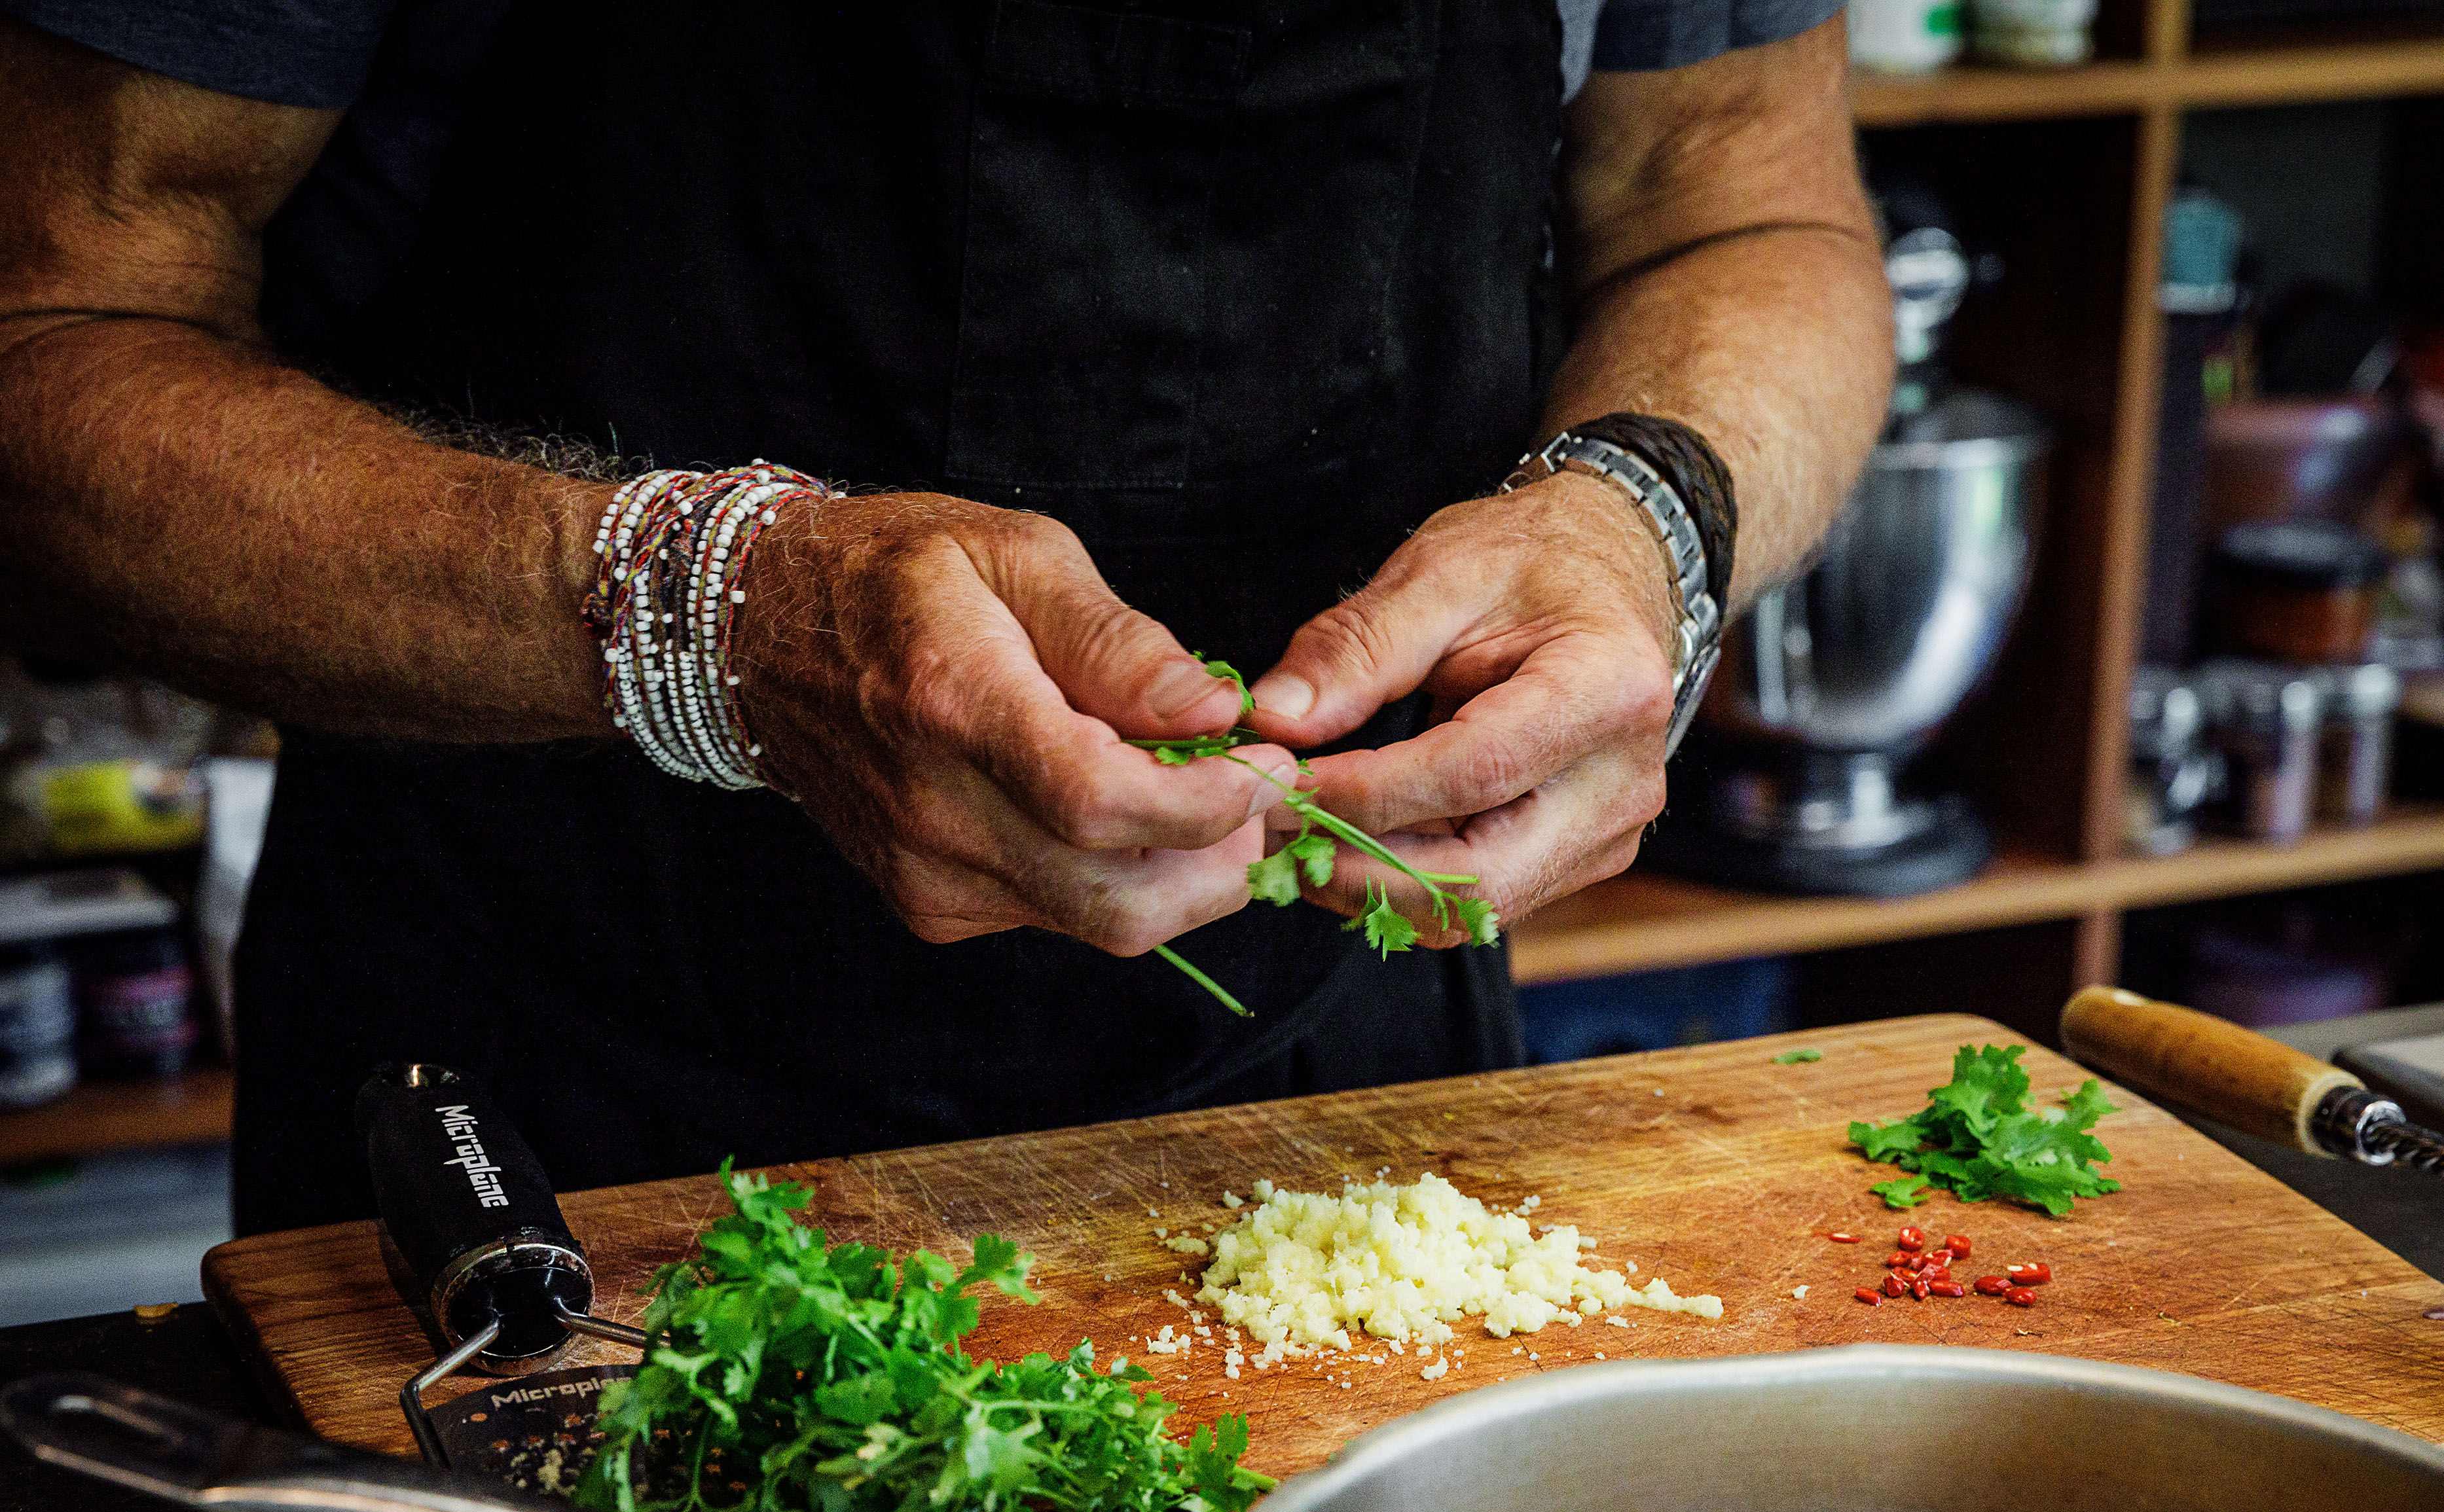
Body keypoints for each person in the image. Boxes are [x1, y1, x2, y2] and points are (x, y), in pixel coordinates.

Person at [0, 1, 1892, 1232]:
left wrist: (1647, 522)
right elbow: (54, 336)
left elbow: (1742, 206)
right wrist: (710, 619)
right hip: (555, 1111)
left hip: (1332, 1111)